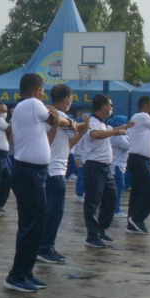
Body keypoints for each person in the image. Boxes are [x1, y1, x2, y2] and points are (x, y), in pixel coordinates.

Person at [6, 73, 72, 293]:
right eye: (43, 91)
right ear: (36, 90)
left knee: (36, 225)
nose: (44, 95)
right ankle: (17, 275)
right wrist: (69, 122)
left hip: (37, 172)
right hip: (27, 172)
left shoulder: (33, 115)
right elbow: (58, 120)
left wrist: (57, 121)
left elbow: (50, 134)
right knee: (30, 225)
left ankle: (26, 272)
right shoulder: (32, 104)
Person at [37, 84, 85, 265]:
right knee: (54, 213)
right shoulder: (59, 116)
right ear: (66, 99)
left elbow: (68, 145)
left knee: (53, 212)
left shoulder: (56, 118)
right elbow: (74, 126)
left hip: (56, 170)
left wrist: (84, 129)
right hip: (54, 171)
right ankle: (44, 248)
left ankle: (47, 246)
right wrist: (80, 126)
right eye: (71, 99)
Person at [80, 95, 128, 249]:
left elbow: (109, 130)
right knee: (93, 200)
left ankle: (101, 228)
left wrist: (125, 127)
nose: (112, 108)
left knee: (111, 198)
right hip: (94, 165)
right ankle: (92, 235)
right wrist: (117, 132)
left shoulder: (104, 123)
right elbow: (95, 134)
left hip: (106, 166)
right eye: (110, 105)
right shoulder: (92, 122)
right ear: (103, 106)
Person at [124, 96, 150, 234]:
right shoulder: (141, 116)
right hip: (137, 159)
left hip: (144, 159)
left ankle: (132, 223)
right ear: (146, 106)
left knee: (138, 191)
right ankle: (138, 218)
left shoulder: (145, 126)